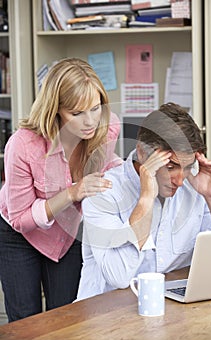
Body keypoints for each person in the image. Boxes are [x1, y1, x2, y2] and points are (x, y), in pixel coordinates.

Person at [75, 102, 211, 301]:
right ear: (143, 153)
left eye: (188, 166)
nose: (180, 180)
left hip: (168, 309)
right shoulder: (102, 194)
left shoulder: (193, 186)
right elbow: (119, 277)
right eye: (170, 167)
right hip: (104, 315)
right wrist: (146, 199)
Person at [0, 57, 121, 322]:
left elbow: (103, 166)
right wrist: (73, 192)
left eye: (95, 108)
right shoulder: (23, 145)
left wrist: (129, 171)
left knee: (68, 318)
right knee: (25, 323)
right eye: (77, 113)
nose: (90, 121)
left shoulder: (108, 128)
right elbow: (21, 219)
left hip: (68, 234)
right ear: (56, 110)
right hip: (19, 236)